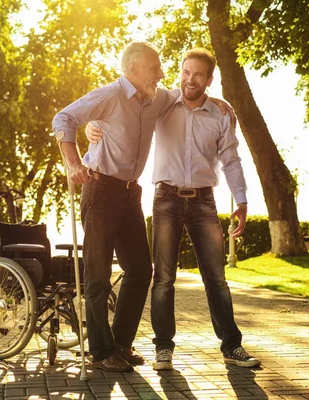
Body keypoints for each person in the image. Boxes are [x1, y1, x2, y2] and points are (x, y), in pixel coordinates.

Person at [86, 48, 260, 369]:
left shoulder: (221, 115)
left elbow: (231, 159)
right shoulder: (160, 102)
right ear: (180, 72)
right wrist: (90, 126)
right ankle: (163, 348)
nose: (190, 79)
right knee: (163, 279)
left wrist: (242, 199)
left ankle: (231, 346)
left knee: (217, 279)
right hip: (165, 198)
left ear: (209, 80)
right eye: (185, 72)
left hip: (205, 201)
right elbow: (118, 108)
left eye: (198, 75)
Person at [52, 41, 180, 373]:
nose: (160, 74)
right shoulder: (109, 95)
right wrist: (73, 163)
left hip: (129, 194)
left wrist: (218, 104)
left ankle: (121, 343)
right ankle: (101, 352)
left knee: (140, 270)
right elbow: (64, 117)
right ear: (133, 69)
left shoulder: (157, 98)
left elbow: (184, 95)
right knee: (97, 275)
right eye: (154, 68)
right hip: (99, 190)